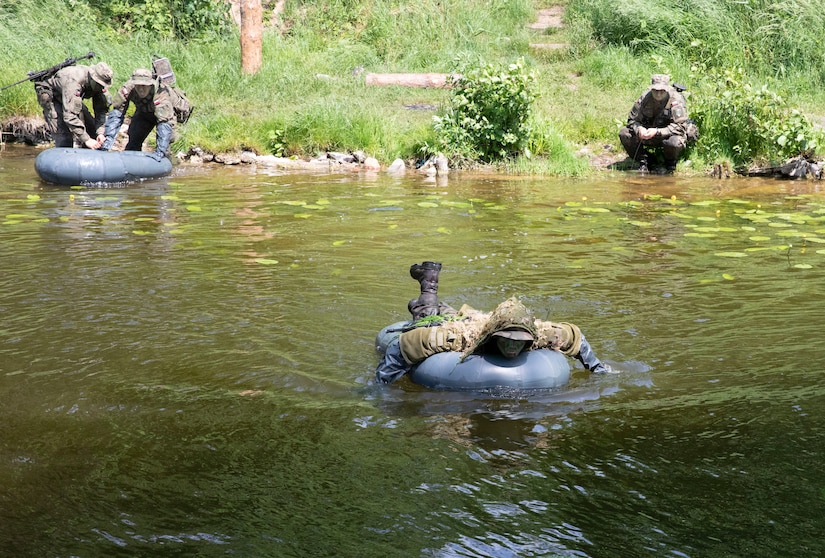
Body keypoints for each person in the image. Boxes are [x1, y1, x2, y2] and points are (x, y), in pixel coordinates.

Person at [376, 261, 614, 384]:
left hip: (480, 319)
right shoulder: (456, 338)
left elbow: (575, 337)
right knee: (428, 317)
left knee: (456, 312)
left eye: (519, 342)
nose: (512, 347)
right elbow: (405, 345)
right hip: (466, 325)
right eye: (506, 341)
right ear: (493, 338)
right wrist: (382, 385)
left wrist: (597, 369)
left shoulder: (542, 333)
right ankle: (428, 283)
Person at [618, 74, 696, 173]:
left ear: (667, 89)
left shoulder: (676, 100)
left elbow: (680, 127)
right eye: (655, 91)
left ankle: (670, 163)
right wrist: (639, 129)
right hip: (647, 134)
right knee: (624, 133)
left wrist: (657, 131)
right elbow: (632, 120)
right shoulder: (644, 98)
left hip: (668, 135)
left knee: (674, 143)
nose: (658, 94)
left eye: (662, 91)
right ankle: (646, 161)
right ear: (651, 89)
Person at [34, 61, 113, 149]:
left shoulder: (99, 86)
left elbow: (101, 110)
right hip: (52, 94)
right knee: (64, 138)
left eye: (103, 85)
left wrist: (100, 133)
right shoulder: (73, 82)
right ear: (92, 78)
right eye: (99, 84)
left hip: (70, 96)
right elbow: (69, 116)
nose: (101, 87)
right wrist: (86, 139)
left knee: (92, 130)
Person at [101, 68, 175, 160]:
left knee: (164, 148)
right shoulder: (127, 89)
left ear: (150, 84)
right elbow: (117, 113)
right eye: (138, 85)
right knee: (133, 140)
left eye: (144, 85)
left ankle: (166, 164)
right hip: (143, 114)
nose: (141, 89)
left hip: (165, 118)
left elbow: (164, 125)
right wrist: (108, 139)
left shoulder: (161, 93)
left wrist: (160, 152)